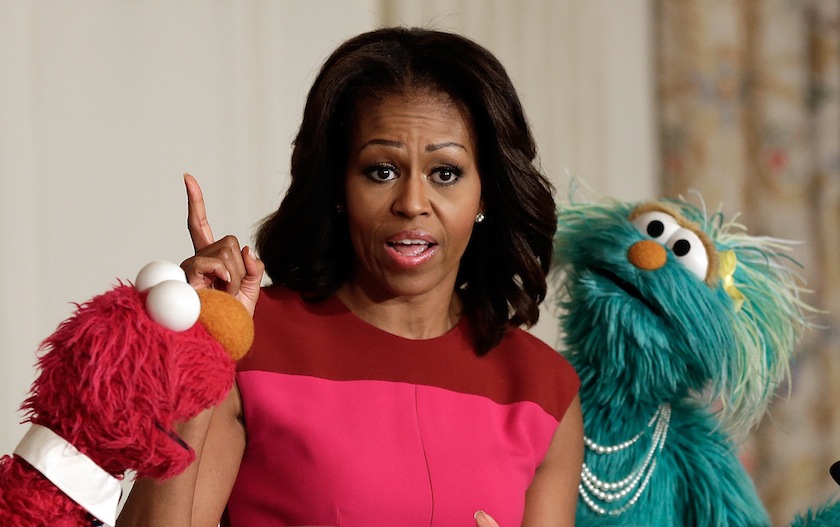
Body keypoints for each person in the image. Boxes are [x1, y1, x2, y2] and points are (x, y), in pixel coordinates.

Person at [118, 26, 582, 527]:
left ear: (486, 193)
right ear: (338, 185)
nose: (411, 204)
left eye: (445, 173)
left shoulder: (543, 388)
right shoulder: (249, 347)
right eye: (381, 170)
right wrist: (200, 351)